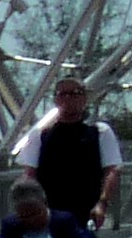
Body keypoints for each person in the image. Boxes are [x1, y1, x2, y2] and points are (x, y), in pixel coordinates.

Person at [11, 77, 121, 225]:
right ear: (55, 99)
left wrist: (102, 203)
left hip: (86, 213)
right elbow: (30, 175)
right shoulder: (40, 134)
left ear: (84, 98)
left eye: (74, 93)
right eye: (62, 94)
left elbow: (111, 171)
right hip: (49, 214)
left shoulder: (100, 132)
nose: (67, 98)